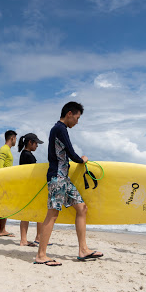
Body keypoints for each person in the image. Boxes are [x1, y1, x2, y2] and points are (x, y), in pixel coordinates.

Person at [35, 102, 103, 266]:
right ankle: (41, 255)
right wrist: (82, 160)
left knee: (82, 208)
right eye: (77, 118)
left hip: (64, 178)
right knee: (52, 214)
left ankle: (83, 250)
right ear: (70, 113)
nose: (77, 122)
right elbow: (72, 153)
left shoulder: (59, 129)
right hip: (57, 178)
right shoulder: (59, 128)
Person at [18, 133, 44, 247]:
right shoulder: (27, 155)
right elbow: (34, 174)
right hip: (30, 188)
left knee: (27, 214)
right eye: (36, 143)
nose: (37, 146)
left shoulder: (24, 154)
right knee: (39, 212)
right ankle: (36, 238)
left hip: (26, 188)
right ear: (30, 142)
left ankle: (30, 239)